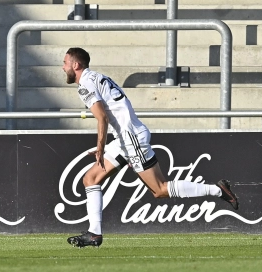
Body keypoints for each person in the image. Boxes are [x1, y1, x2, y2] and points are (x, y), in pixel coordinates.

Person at [62, 47, 239, 248]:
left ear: (76, 65)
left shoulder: (85, 84)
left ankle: (217, 190)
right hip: (125, 139)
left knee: (160, 190)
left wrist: (100, 147)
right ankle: (94, 233)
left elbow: (101, 117)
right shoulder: (97, 77)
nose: (63, 67)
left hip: (130, 139)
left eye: (65, 63)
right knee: (90, 179)